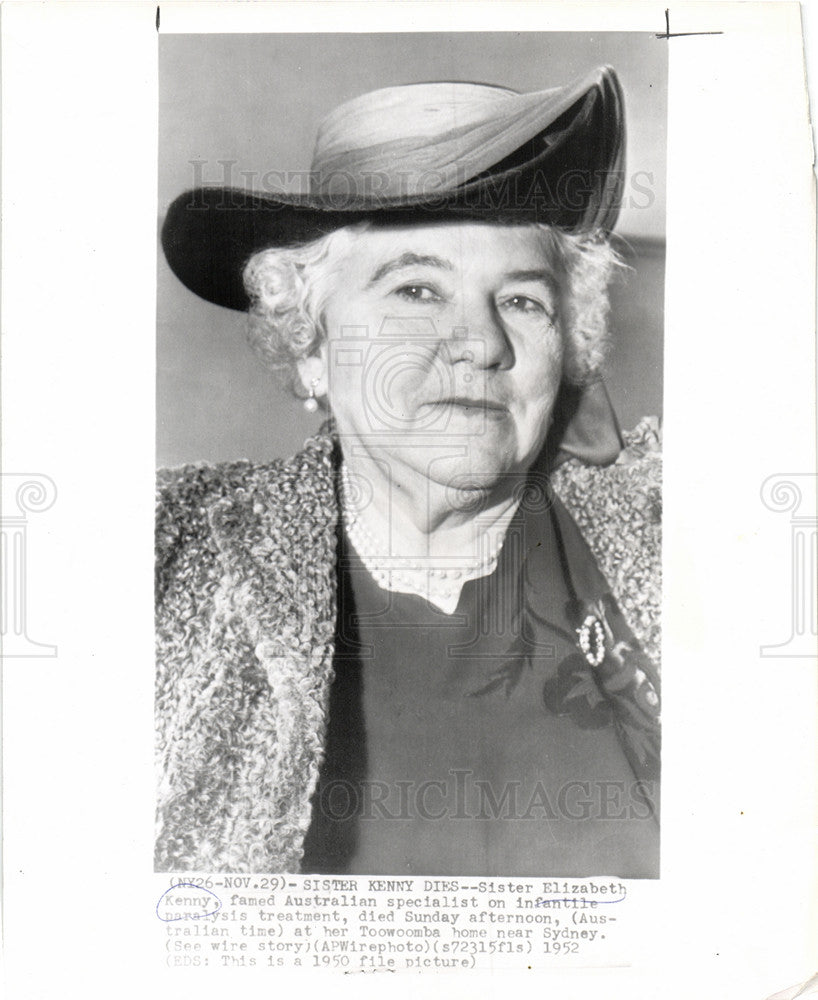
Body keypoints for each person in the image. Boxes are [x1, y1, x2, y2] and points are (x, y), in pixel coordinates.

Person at [156, 65, 662, 876]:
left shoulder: (679, 532)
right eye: (418, 289)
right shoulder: (157, 554)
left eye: (524, 301)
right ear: (311, 343)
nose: (481, 343)